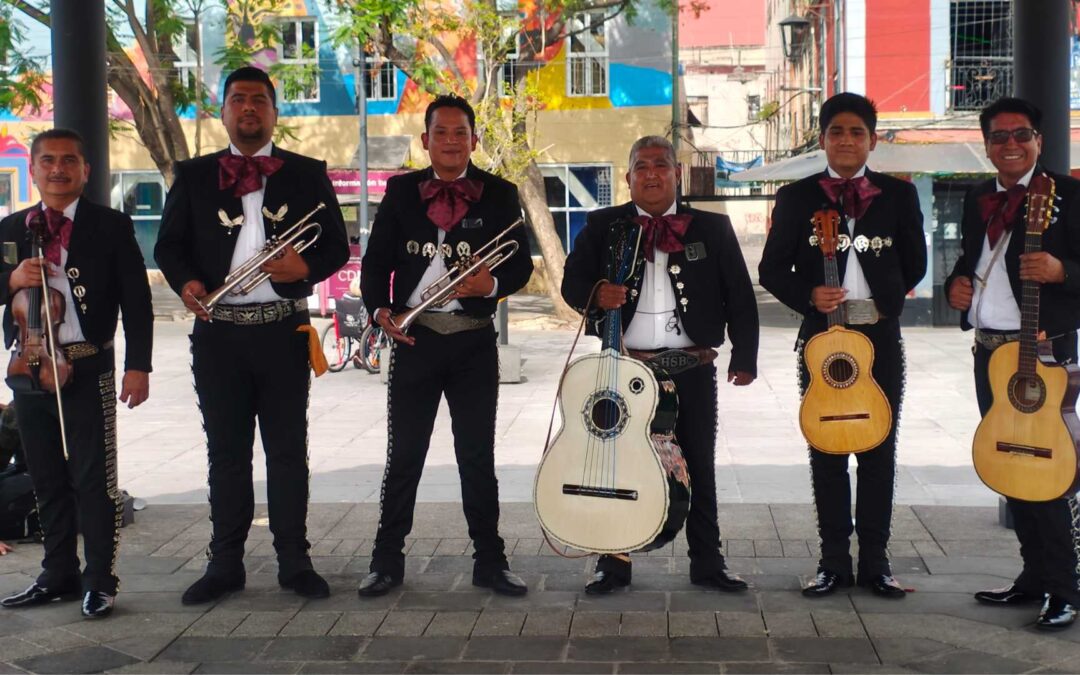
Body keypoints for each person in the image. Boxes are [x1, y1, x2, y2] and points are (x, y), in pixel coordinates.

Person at [155, 66, 350, 605]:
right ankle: (225, 563)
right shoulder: (193, 174)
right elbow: (168, 246)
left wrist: (303, 269)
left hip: (283, 331)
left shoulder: (306, 172)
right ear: (222, 111)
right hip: (218, 335)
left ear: (274, 112)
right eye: (238, 98)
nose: (248, 107)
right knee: (226, 453)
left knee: (287, 451)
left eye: (259, 99)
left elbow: (337, 245)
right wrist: (187, 282)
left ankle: (294, 560)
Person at [561, 135, 759, 594]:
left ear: (677, 173)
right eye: (642, 166)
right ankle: (613, 563)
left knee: (698, 463)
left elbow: (739, 294)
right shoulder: (602, 224)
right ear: (628, 177)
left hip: (691, 365)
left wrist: (744, 356)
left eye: (661, 164)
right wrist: (596, 293)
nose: (651, 173)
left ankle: (707, 562)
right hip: (625, 368)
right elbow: (572, 283)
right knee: (616, 462)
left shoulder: (712, 227)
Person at [357, 94, 533, 598]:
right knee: (404, 456)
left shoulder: (500, 192)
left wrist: (490, 285)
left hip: (473, 340)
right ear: (425, 140)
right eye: (441, 132)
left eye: (460, 133)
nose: (451, 141)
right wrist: (380, 309)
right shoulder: (400, 190)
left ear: (474, 140)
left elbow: (520, 265)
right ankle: (386, 561)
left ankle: (490, 561)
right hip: (414, 339)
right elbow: (376, 261)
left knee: (476, 456)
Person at [759, 93, 927, 599]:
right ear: (823, 139)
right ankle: (832, 561)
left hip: (878, 336)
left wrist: (884, 296)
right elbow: (771, 269)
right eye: (837, 132)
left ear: (872, 140)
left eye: (857, 132)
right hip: (821, 340)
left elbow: (916, 262)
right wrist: (809, 295)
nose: (847, 141)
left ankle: (876, 562)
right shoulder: (796, 197)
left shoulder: (899, 196)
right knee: (827, 450)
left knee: (879, 449)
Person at [0, 128, 153, 618]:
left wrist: (139, 366)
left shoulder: (111, 225)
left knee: (94, 479)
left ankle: (100, 580)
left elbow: (137, 300)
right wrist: (10, 279)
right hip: (28, 366)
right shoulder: (11, 226)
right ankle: (57, 574)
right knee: (45, 477)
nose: (58, 169)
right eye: (48, 160)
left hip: (88, 366)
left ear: (85, 171)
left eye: (69, 160)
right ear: (33, 170)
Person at [946, 97, 1080, 630]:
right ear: (986, 145)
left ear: (1039, 141)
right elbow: (971, 260)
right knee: (1009, 463)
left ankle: (1065, 588)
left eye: (1021, 134)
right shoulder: (978, 196)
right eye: (999, 136)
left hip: (1043, 354)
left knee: (1048, 469)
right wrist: (956, 286)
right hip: (990, 353)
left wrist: (1062, 270)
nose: (1010, 144)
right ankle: (1033, 577)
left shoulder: (1071, 195)